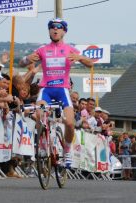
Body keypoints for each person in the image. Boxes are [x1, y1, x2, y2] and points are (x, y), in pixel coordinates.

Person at [19, 18, 93, 167]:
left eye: (59, 28)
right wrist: (27, 59)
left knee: (70, 124)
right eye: (52, 27)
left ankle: (67, 151)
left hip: (62, 90)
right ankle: (42, 144)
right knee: (39, 116)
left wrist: (79, 57)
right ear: (49, 31)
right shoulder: (43, 49)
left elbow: (90, 64)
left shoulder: (69, 49)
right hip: (46, 89)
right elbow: (21, 63)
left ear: (64, 31)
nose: (55, 30)